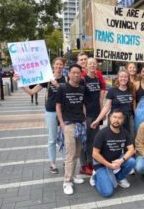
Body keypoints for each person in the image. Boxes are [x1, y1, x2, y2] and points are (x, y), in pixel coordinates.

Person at [14, 57, 66, 174]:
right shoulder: (47, 78)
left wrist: (57, 85)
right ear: (53, 65)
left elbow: (68, 93)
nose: (58, 66)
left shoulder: (66, 78)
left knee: (64, 138)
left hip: (64, 112)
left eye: (61, 64)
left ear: (63, 66)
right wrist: (20, 83)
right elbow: (32, 92)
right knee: (52, 139)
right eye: (56, 64)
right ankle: (52, 164)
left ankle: (65, 161)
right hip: (51, 111)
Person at [56, 64, 86, 195]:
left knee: (77, 153)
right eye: (73, 73)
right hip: (68, 124)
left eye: (78, 73)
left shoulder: (81, 88)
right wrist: (62, 123)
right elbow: (58, 106)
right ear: (69, 74)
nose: (76, 75)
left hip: (80, 124)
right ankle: (67, 181)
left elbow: (83, 105)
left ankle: (73, 176)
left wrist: (84, 120)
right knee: (70, 153)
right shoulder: (62, 88)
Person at [91, 109, 136, 198]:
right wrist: (109, 165)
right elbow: (95, 154)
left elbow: (131, 150)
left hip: (116, 160)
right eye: (114, 117)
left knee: (132, 161)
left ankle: (118, 178)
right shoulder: (102, 133)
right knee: (108, 192)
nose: (116, 120)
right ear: (110, 118)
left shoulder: (125, 132)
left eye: (119, 118)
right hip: (101, 164)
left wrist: (121, 160)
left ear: (123, 120)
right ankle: (96, 178)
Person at [77, 53, 106, 175]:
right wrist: (84, 116)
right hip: (87, 115)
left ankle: (92, 162)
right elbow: (82, 100)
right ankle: (86, 164)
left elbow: (100, 98)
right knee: (87, 141)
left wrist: (102, 113)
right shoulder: (83, 80)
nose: (92, 65)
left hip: (96, 114)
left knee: (94, 140)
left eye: (94, 64)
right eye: (90, 64)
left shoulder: (97, 79)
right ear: (86, 66)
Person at [91, 69, 134, 136]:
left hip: (128, 120)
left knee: (128, 140)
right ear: (118, 78)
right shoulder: (112, 90)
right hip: (115, 120)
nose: (123, 78)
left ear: (128, 78)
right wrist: (97, 120)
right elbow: (106, 107)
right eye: (121, 76)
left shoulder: (131, 90)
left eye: (125, 77)